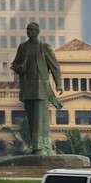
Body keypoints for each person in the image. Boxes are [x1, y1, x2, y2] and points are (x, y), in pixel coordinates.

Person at [9, 21, 63, 155]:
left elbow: (54, 66)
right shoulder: (22, 48)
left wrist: (58, 83)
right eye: (27, 29)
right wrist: (18, 67)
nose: (29, 32)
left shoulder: (44, 47)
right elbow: (15, 63)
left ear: (37, 31)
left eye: (32, 30)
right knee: (32, 118)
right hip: (28, 88)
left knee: (40, 119)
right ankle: (36, 146)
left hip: (41, 89)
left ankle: (41, 147)